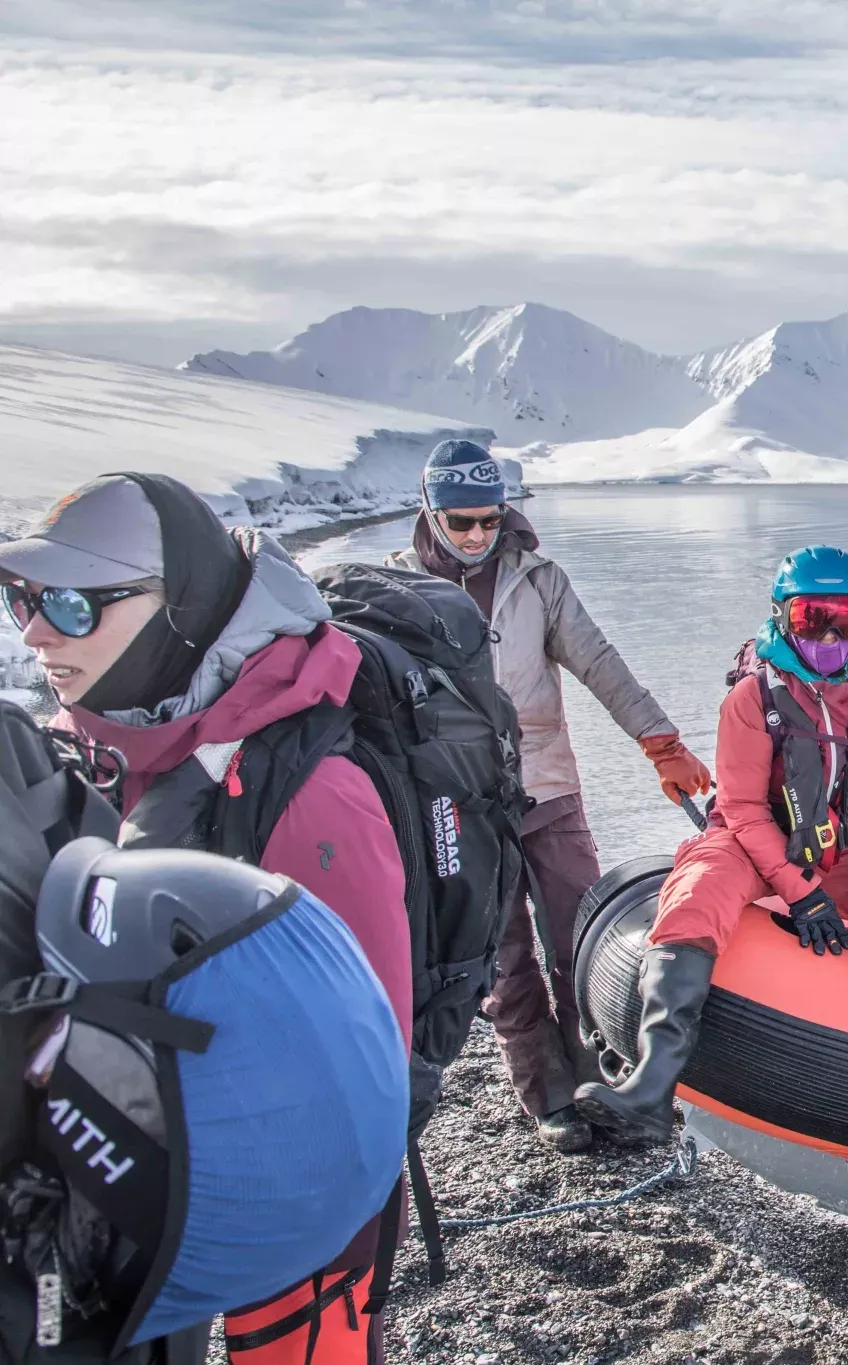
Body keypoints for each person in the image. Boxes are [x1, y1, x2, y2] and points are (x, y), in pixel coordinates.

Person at [0, 472, 411, 1363]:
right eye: (21, 598)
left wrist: (335, 1250)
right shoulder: (126, 737)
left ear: (175, 606)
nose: (33, 630)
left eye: (72, 604)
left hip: (299, 1218)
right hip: (162, 1168)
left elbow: (364, 1065)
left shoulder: (307, 793)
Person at [574, 545, 848, 1142]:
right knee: (697, 895)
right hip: (747, 845)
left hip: (835, 853)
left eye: (846, 619)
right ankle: (651, 1086)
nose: (828, 634)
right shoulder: (752, 700)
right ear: (782, 616)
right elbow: (739, 808)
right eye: (810, 617)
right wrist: (801, 894)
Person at [389, 438, 711, 1154]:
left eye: (489, 518)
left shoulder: (537, 580)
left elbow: (598, 661)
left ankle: (603, 1075)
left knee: (581, 933)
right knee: (502, 956)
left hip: (547, 786)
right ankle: (549, 1096)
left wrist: (659, 741)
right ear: (429, 512)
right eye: (461, 521)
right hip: (456, 805)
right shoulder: (399, 589)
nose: (477, 534)